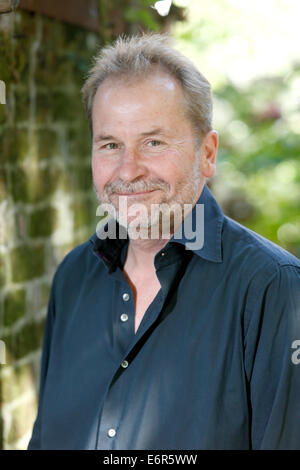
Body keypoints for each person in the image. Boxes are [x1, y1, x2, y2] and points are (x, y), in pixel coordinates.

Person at [28, 33, 300, 450]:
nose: (128, 170)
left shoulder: (271, 287)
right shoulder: (73, 277)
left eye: (153, 142)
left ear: (207, 153)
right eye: (110, 144)